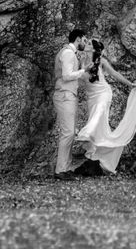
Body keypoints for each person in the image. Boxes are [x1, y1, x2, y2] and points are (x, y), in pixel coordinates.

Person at [74, 39, 136, 174]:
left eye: (89, 44)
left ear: (94, 50)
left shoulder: (101, 61)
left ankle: (85, 133)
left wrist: (130, 84)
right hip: (92, 97)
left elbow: (114, 74)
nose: (86, 44)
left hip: (104, 94)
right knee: (100, 129)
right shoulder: (80, 60)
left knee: (99, 113)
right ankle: (100, 160)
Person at [53, 29, 91, 180]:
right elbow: (67, 76)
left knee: (69, 132)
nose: (85, 43)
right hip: (64, 95)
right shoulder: (68, 53)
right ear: (78, 38)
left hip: (68, 95)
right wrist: (83, 70)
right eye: (84, 40)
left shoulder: (71, 53)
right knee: (68, 133)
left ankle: (66, 168)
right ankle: (60, 170)